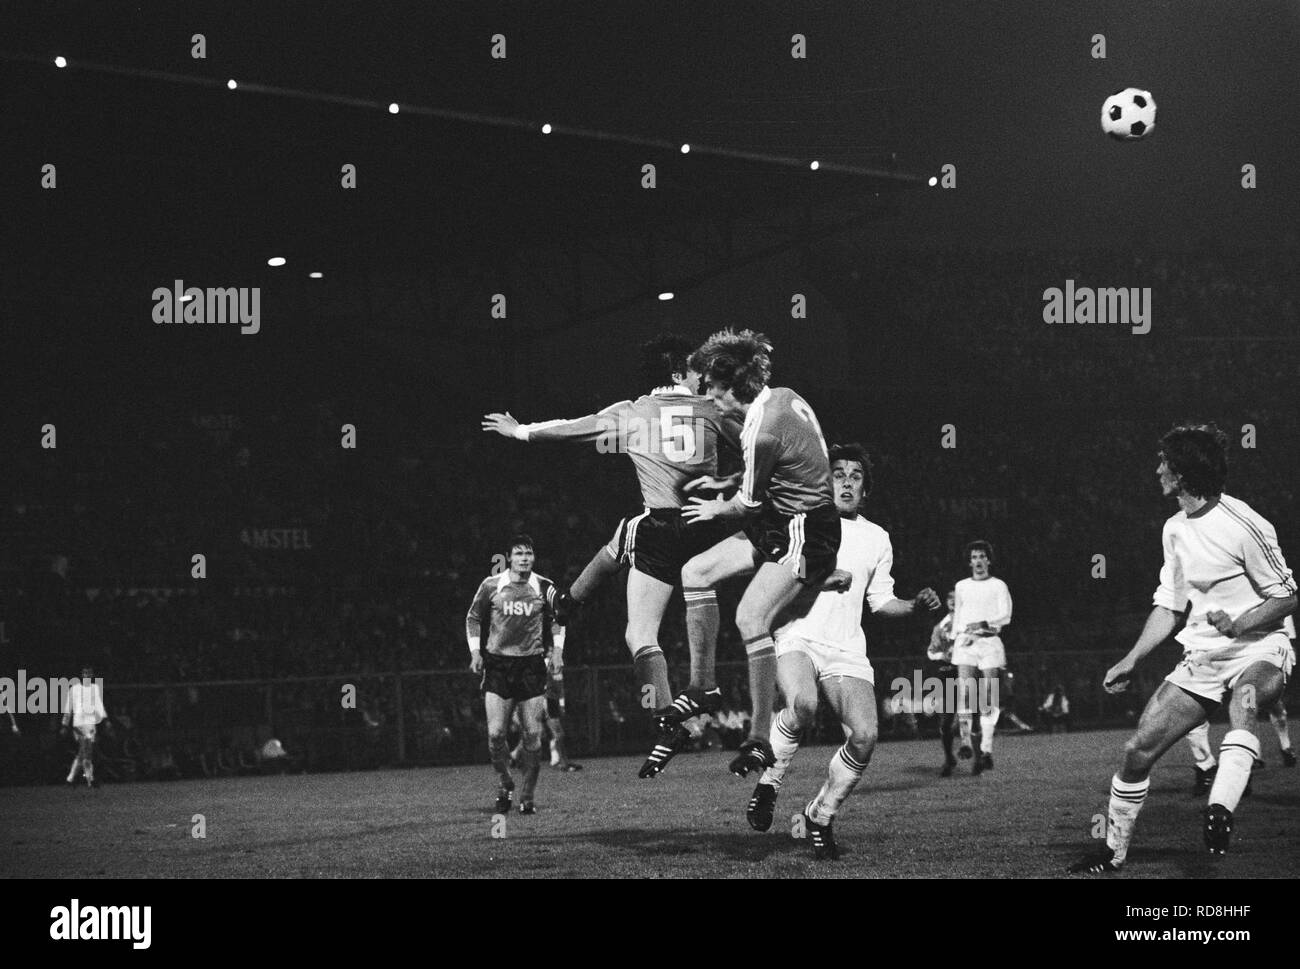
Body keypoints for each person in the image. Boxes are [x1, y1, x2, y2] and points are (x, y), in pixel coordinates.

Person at [482, 334, 741, 769]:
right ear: (678, 373)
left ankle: (664, 717)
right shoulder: (714, 409)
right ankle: (707, 686)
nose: (703, 376)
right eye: (696, 369)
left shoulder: (632, 413)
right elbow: (758, 443)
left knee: (639, 631)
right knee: (637, 541)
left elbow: (571, 428)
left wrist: (521, 431)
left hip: (660, 527)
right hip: (708, 526)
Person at [1069, 423, 1295, 874]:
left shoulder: (1244, 523)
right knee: (1137, 750)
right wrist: (1131, 659)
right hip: (1203, 656)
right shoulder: (1174, 528)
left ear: (1184, 472)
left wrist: (1239, 623)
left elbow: (1287, 594)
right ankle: (1112, 853)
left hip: (1260, 648)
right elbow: (1169, 605)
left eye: (1164, 463)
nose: (1157, 470)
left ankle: (1220, 809)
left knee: (1243, 707)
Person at [652, 329, 842, 779]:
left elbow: (747, 506)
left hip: (804, 529)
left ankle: (758, 739)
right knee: (694, 572)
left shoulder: (760, 429)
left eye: (712, 392)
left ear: (731, 387)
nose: (710, 401)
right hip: (783, 517)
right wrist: (728, 481)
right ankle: (702, 686)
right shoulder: (781, 397)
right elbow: (782, 464)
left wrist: (721, 503)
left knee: (750, 618)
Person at [745, 444, 940, 858]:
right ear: (823, 481)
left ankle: (820, 813)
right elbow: (773, 576)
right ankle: (770, 783)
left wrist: (913, 606)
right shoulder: (803, 524)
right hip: (799, 633)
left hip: (847, 646)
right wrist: (818, 579)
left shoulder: (877, 537)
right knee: (803, 704)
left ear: (865, 490)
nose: (847, 482)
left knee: (866, 736)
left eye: (856, 476)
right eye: (838, 474)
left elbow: (881, 601)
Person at [466, 534, 565, 815]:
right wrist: (475, 652)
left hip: (531, 666)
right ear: (509, 557)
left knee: (532, 736)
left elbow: (559, 618)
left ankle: (528, 796)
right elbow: (473, 617)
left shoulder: (544, 587)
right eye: (519, 554)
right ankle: (505, 783)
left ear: (534, 557)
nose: (524, 558)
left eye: (529, 554)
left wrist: (557, 650)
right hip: (498, 666)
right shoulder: (492, 584)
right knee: (496, 734)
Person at [951, 540, 1013, 773]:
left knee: (988, 695)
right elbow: (958, 615)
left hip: (989, 641)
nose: (978, 561)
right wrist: (958, 635)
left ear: (988, 560)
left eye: (981, 556)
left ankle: (986, 748)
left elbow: (1005, 615)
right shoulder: (961, 586)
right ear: (970, 562)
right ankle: (966, 741)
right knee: (965, 692)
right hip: (966, 642)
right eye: (974, 557)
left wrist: (984, 623)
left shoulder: (999, 585)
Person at [926, 591, 960, 774]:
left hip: (969, 673)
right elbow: (931, 652)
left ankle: (979, 756)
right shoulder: (940, 627)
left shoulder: (970, 623)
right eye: (950, 599)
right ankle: (949, 759)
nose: (953, 601)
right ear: (947, 603)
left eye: (957, 598)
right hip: (948, 675)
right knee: (946, 722)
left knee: (974, 717)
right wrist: (943, 655)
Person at [62, 665, 108, 788]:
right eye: (84, 673)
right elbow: (68, 707)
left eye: (89, 673)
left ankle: (70, 780)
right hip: (78, 724)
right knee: (85, 750)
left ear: (92, 675)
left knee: (84, 753)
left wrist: (105, 719)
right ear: (81, 675)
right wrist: (65, 724)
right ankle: (90, 780)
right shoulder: (74, 689)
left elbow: (99, 705)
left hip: (91, 724)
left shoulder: (95, 688)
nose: (86, 675)